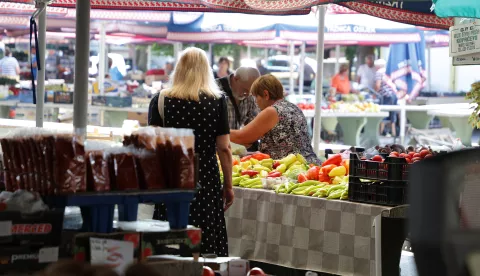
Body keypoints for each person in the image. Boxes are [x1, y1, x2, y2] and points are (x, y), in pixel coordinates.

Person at [148, 47, 233, 256]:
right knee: (205, 239)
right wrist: (228, 185)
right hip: (205, 177)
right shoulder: (217, 101)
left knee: (169, 236)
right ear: (206, 70)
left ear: (179, 69)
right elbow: (224, 147)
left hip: (171, 176)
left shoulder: (160, 100)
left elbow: (153, 144)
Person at [230, 74, 320, 164]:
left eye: (256, 97)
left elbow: (242, 137)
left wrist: (219, 132)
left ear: (266, 94)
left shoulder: (272, 111)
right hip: (310, 164)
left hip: (291, 170)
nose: (256, 102)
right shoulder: (293, 107)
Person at [375, 60, 398, 137]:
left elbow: (378, 85)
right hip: (394, 94)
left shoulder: (379, 72)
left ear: (377, 66)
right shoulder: (389, 71)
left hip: (386, 95)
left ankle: (380, 133)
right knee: (392, 114)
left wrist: (375, 93)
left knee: (383, 114)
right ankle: (394, 133)